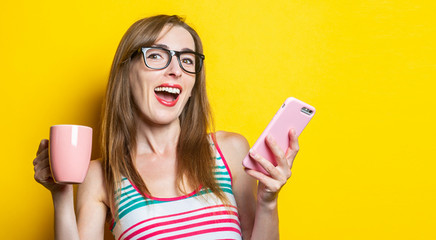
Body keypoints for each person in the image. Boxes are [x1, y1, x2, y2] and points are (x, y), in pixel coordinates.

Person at [32, 15, 298, 240]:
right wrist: (62, 193)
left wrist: (268, 201)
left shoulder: (229, 151)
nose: (175, 70)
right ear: (126, 72)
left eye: (187, 60)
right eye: (157, 56)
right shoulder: (100, 176)